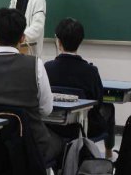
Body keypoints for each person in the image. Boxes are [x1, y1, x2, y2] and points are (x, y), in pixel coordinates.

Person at [0, 8, 62, 164]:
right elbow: (46, 110)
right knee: (61, 142)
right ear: (22, 37)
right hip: (31, 148)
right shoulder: (35, 66)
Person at [44, 18, 115, 159]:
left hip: (52, 126)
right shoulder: (90, 71)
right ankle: (108, 154)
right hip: (83, 127)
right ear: (80, 41)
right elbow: (98, 101)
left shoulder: (47, 68)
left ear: (58, 41)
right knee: (109, 107)